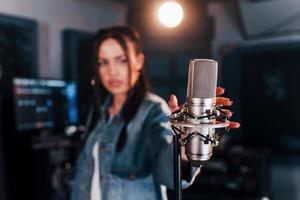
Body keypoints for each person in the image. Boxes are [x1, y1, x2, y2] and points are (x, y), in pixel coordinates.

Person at [71, 26, 240, 200]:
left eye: (121, 60)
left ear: (139, 61)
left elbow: (172, 176)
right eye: (103, 62)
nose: (112, 71)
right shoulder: (99, 110)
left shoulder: (153, 110)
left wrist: (186, 140)